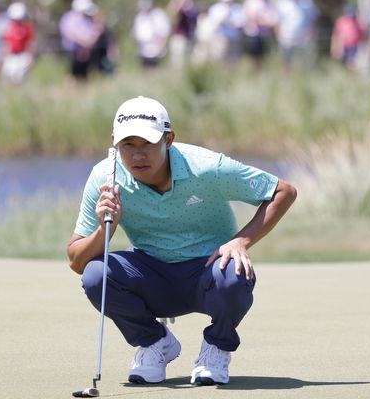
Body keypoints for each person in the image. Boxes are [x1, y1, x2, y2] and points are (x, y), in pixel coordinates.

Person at [67, 96, 297, 385]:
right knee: (96, 275)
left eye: (148, 144)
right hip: (152, 275)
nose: (138, 155)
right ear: (115, 143)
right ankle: (154, 343)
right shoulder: (105, 177)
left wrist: (241, 241)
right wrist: (104, 230)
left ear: (168, 139)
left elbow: (283, 192)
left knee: (235, 271)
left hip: (209, 272)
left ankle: (217, 347)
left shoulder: (207, 167)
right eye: (128, 145)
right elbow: (76, 261)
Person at [59, 0, 102, 81]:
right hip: (73, 51)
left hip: (85, 51)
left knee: (84, 75)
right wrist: (85, 44)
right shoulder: (69, 18)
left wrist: (87, 46)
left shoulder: (86, 19)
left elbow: (92, 35)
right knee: (73, 74)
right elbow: (71, 35)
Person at [1, 2, 34, 84]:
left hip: (22, 55)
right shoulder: (8, 27)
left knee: (20, 77)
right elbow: (5, 42)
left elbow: (30, 43)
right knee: (8, 76)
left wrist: (30, 56)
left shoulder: (27, 27)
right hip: (11, 55)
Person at [132, 0, 171, 68]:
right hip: (143, 50)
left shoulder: (158, 15)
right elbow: (135, 33)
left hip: (156, 51)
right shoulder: (139, 17)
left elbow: (164, 32)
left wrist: (161, 46)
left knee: (156, 71)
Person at [330, 4, 365, 72]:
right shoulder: (340, 21)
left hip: (354, 46)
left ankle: (352, 76)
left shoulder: (357, 22)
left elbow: (362, 34)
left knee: (351, 62)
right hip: (343, 46)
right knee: (345, 63)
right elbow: (336, 35)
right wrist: (334, 47)